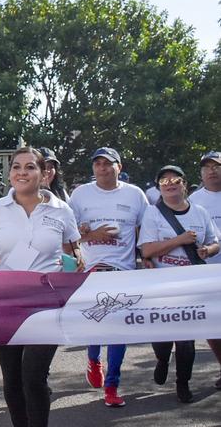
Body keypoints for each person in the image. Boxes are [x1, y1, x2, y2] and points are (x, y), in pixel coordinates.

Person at [0, 146, 82, 427]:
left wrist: (78, 262)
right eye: (16, 167)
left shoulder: (62, 210)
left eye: (30, 167)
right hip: (7, 303)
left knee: (33, 376)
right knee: (13, 380)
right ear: (10, 175)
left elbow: (74, 252)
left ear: (43, 174)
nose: (22, 172)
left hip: (48, 303)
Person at [68, 147, 147, 407]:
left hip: (123, 271)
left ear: (119, 167)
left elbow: (145, 232)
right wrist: (93, 235)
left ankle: (112, 385)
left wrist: (146, 259)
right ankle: (93, 358)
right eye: (97, 163)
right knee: (95, 325)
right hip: (91, 270)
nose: (102, 168)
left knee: (117, 331)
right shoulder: (80, 195)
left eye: (107, 164)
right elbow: (67, 237)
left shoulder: (135, 195)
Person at [137, 164, 219, 403]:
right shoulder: (153, 213)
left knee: (186, 340)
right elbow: (148, 249)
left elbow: (215, 242)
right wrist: (179, 240)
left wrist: (207, 250)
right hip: (161, 285)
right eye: (164, 181)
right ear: (159, 188)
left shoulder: (200, 212)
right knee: (162, 338)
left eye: (175, 180)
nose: (170, 184)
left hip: (192, 285)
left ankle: (183, 383)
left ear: (184, 184)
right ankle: (162, 359)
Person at [188, 150, 221, 389]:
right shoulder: (194, 201)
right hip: (206, 272)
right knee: (213, 324)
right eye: (207, 167)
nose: (212, 170)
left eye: (217, 166)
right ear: (201, 173)